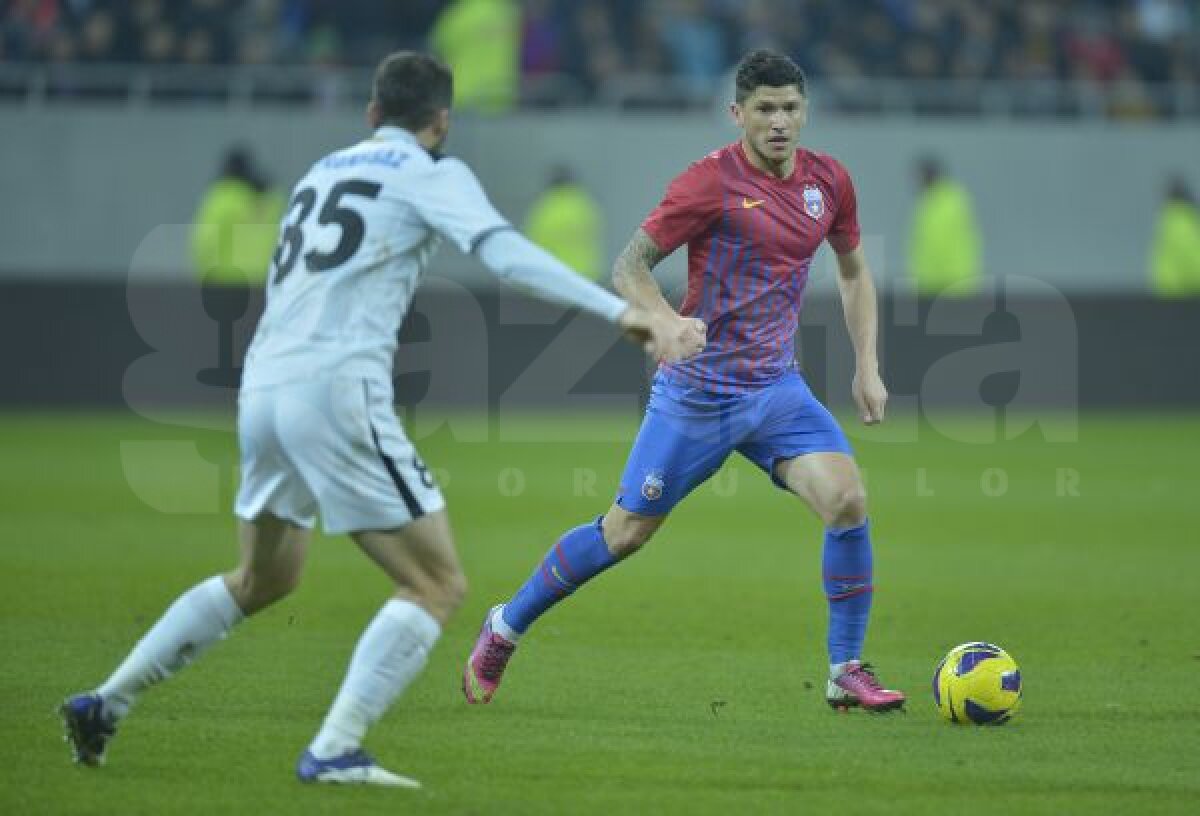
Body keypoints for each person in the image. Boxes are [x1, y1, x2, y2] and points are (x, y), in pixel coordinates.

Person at [60, 51, 704, 788]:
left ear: (372, 114)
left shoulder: (321, 172)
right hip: (336, 392)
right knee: (437, 584)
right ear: (442, 122)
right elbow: (503, 253)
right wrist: (622, 313)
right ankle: (334, 747)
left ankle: (105, 701)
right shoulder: (431, 172)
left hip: (262, 391)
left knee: (263, 577)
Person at [463, 49, 906, 713]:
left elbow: (852, 272)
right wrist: (666, 321)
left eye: (789, 107)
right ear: (738, 114)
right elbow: (629, 265)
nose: (779, 121)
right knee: (625, 534)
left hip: (776, 390)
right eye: (764, 109)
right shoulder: (709, 183)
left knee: (846, 501)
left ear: (805, 110)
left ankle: (845, 669)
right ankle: (505, 625)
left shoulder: (830, 183)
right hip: (697, 394)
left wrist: (866, 363)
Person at [190, 146, 284, 285]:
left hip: (226, 282)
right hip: (265, 281)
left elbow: (204, 242)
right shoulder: (273, 202)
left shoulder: (221, 199)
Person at [907, 156, 982, 297]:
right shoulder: (934, 200)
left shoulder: (945, 202)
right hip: (936, 283)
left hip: (951, 283)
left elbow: (936, 242)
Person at [524, 164, 604, 280]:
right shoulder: (586, 207)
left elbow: (532, 244)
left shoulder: (544, 210)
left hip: (556, 276)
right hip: (588, 276)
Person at [1149, 174, 1200, 297]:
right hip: (1187, 293)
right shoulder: (1184, 222)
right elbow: (1193, 258)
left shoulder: (1169, 222)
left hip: (1172, 293)